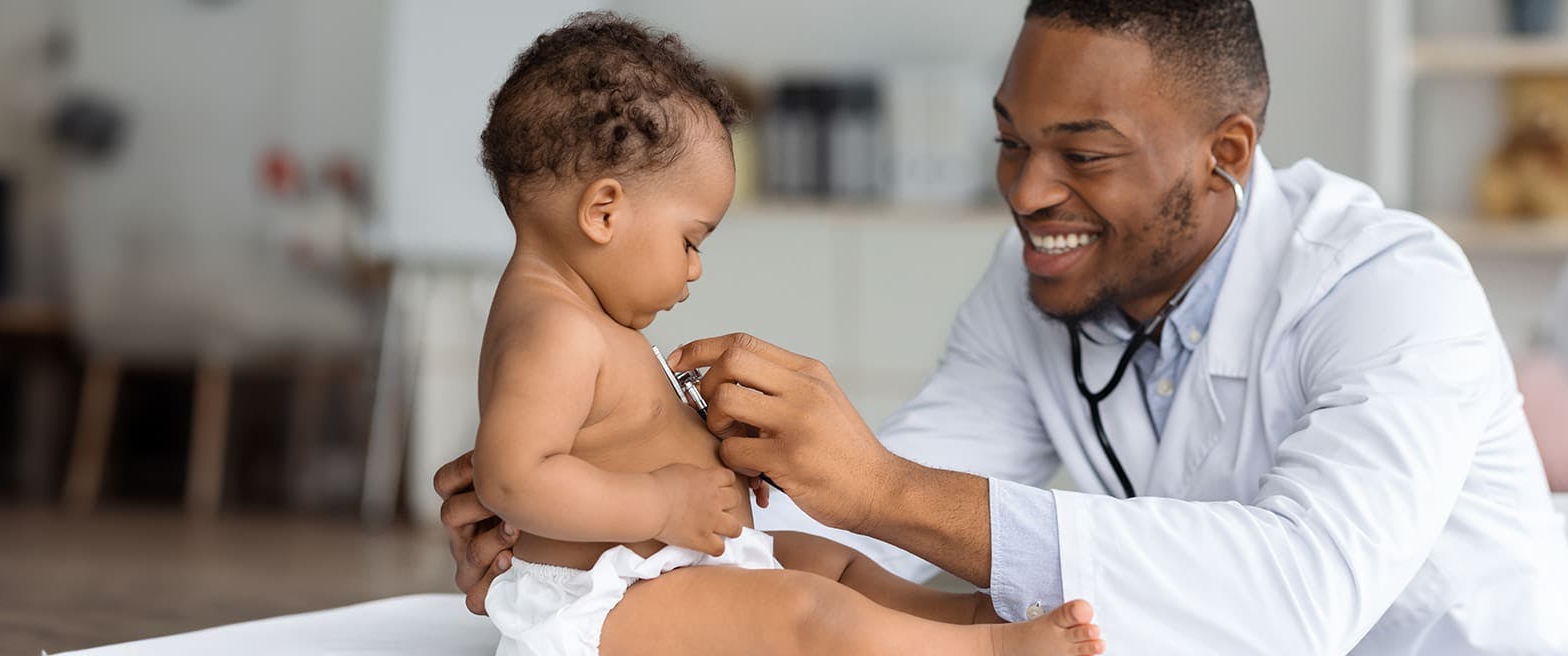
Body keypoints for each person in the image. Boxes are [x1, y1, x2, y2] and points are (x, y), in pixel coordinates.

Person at [435, 1, 1568, 653]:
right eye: (1009, 140)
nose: (1027, 192)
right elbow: (878, 530)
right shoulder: (1039, 280)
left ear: (1224, 155)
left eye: (1081, 153)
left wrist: (874, 486)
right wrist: (595, 531)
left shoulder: (1391, 288)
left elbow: (1301, 594)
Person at [464, 12, 1104, 656]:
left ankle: (957, 620)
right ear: (603, 212)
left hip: (664, 575)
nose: (695, 268)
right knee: (808, 609)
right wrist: (658, 502)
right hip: (605, 603)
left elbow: (611, 438)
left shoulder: (582, 318)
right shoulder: (556, 329)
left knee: (825, 563)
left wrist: (710, 442)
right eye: (690, 240)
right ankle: (986, 651)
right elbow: (514, 480)